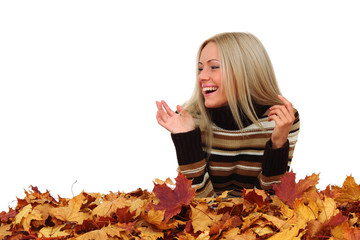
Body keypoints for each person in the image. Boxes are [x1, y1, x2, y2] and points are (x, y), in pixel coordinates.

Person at [155, 32, 300, 198]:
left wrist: (278, 145)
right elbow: (198, 206)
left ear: (246, 71)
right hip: (209, 221)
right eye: (200, 68)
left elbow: (271, 201)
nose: (201, 76)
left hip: (258, 222)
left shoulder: (281, 119)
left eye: (214, 67)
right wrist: (187, 138)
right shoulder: (191, 120)